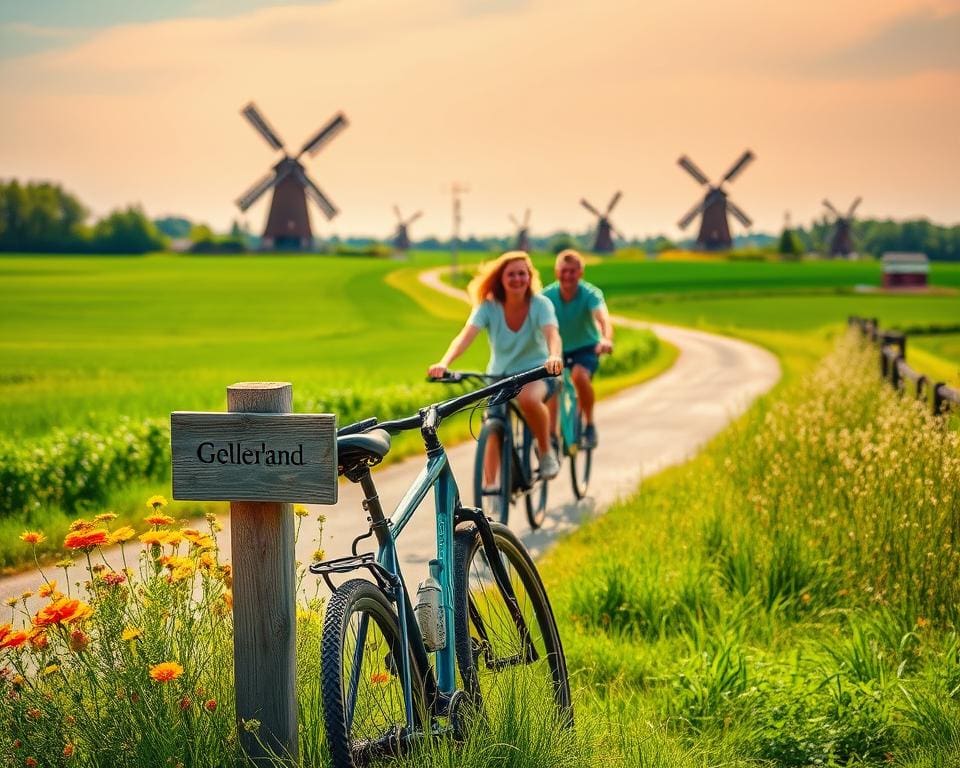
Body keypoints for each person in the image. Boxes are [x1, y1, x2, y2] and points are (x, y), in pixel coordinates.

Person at [428, 251, 564, 480]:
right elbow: (465, 336)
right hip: (498, 377)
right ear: (501, 278)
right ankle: (490, 494)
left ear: (530, 277)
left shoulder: (541, 304)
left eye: (522, 274)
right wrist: (444, 362)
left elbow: (553, 334)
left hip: (536, 372)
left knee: (529, 399)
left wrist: (554, 356)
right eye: (511, 274)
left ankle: (546, 452)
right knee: (492, 426)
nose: (517, 279)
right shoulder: (488, 307)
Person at [542, 249, 614, 449]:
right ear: (557, 272)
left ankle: (589, 424)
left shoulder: (590, 294)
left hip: (586, 347)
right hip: (557, 351)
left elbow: (603, 318)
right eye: (564, 271)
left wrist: (606, 339)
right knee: (551, 386)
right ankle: (551, 436)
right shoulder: (547, 296)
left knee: (579, 376)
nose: (568, 276)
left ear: (580, 273)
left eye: (572, 271)